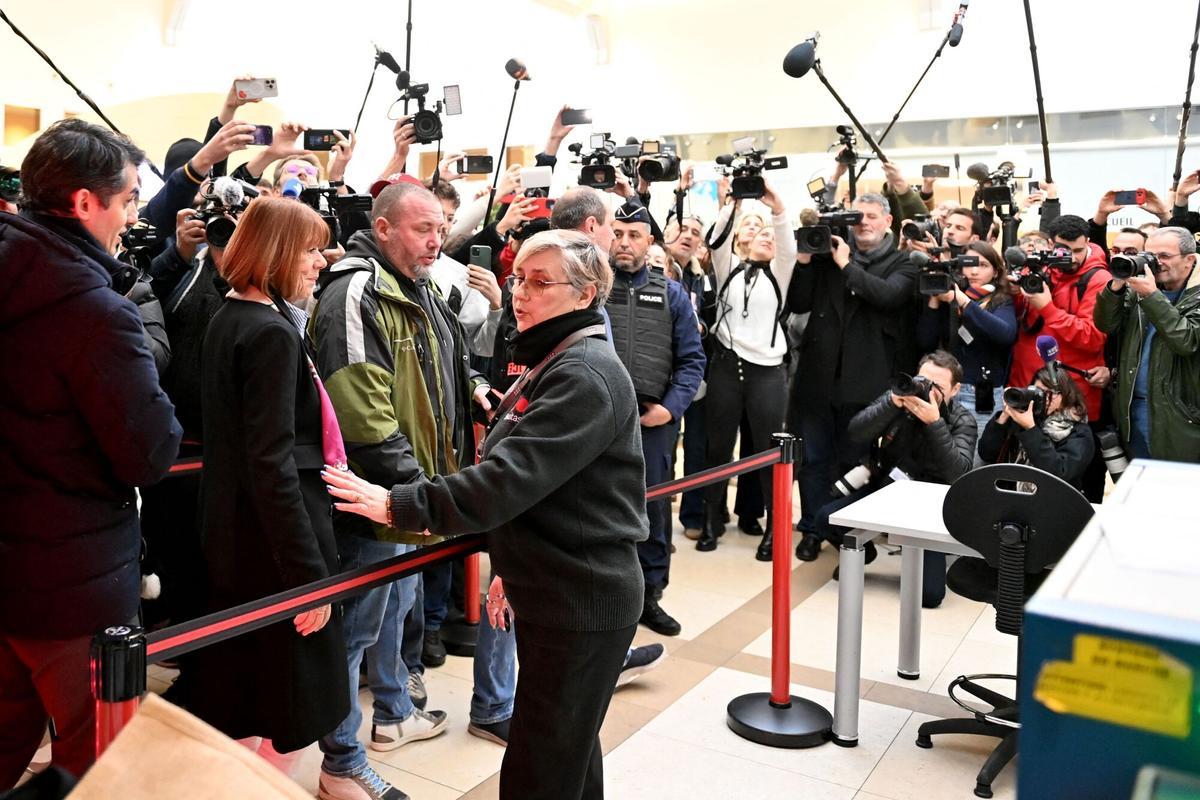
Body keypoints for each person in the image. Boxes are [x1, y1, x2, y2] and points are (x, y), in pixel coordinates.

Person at [322, 229, 645, 800]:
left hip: (582, 596)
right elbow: (545, 492)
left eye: (541, 282)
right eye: (519, 277)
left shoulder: (584, 373)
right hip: (557, 585)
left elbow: (507, 480)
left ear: (587, 294)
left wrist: (397, 503)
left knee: (541, 765)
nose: (520, 293)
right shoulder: (556, 359)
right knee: (565, 751)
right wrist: (511, 566)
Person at [0, 119, 182, 785]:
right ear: (84, 202)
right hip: (74, 589)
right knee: (101, 757)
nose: (131, 216)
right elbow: (151, 452)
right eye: (129, 200)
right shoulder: (96, 310)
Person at [311, 181, 475, 799]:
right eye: (422, 229)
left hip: (410, 500)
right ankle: (340, 763)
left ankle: (390, 716)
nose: (436, 240)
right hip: (377, 504)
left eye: (440, 229)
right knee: (354, 630)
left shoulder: (420, 286)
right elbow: (362, 413)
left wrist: (481, 394)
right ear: (382, 228)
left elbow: (449, 371)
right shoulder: (356, 291)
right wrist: (415, 493)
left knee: (394, 616)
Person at [186, 196, 347, 771]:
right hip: (274, 546)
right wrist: (309, 577)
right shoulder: (270, 332)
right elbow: (272, 464)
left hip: (235, 533)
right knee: (286, 703)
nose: (320, 262)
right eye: (309, 250)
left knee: (244, 694)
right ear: (279, 252)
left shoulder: (230, 314)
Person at [789, 193, 918, 562]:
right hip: (818, 380)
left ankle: (847, 536)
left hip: (867, 385)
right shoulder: (828, 258)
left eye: (872, 217)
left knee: (853, 465)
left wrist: (845, 265)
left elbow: (889, 296)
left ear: (888, 221)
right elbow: (798, 302)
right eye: (858, 217)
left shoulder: (903, 263)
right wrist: (805, 258)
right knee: (813, 462)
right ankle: (814, 529)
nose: (864, 223)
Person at [810, 350, 976, 607]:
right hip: (886, 489)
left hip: (930, 507)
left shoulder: (962, 420)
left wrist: (935, 423)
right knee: (824, 520)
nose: (926, 390)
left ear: (955, 390)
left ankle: (914, 552)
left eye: (938, 387)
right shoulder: (900, 396)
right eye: (923, 381)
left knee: (929, 596)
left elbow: (959, 473)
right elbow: (855, 432)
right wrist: (891, 404)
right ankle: (863, 553)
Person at [607, 201, 705, 633]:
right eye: (618, 233)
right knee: (598, 509)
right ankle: (606, 594)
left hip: (653, 423)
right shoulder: (591, 288)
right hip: (598, 420)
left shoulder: (673, 294)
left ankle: (650, 595)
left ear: (650, 242)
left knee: (653, 510)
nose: (624, 242)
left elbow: (692, 361)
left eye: (634, 235)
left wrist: (670, 408)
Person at [696, 179, 795, 560]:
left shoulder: (781, 272)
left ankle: (774, 528)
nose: (766, 236)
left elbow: (786, 242)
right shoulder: (728, 268)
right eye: (757, 230)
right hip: (726, 368)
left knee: (771, 451)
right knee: (717, 448)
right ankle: (710, 520)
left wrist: (778, 207)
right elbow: (716, 240)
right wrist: (732, 204)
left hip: (768, 374)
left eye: (770, 232)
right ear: (742, 240)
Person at [1008, 214, 1110, 501]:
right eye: (1065, 250)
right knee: (1021, 481)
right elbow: (1022, 325)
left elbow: (1092, 338)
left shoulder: (1098, 277)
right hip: (1029, 390)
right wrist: (1018, 292)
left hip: (1071, 400)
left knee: (1070, 489)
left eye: (1079, 249)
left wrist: (1048, 308)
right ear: (1051, 244)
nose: (1073, 257)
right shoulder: (1043, 268)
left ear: (1088, 242)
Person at [1094, 226, 1200, 462]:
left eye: (1164, 256)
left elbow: (1186, 340)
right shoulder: (1139, 289)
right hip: (1134, 409)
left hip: (1181, 415)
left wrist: (1152, 297)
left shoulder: (1176, 294)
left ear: (1189, 260)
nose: (1155, 262)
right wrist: (1116, 287)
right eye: (1150, 255)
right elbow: (1105, 324)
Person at [917, 242, 1018, 437]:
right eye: (969, 264)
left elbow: (1005, 334)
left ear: (996, 272)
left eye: (983, 265)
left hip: (982, 390)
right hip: (944, 389)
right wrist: (935, 299)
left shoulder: (1000, 300)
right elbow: (926, 341)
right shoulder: (948, 293)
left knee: (977, 458)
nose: (974, 271)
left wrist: (963, 300)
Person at [979, 365, 1095, 489]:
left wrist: (1030, 429)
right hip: (1011, 498)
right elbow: (986, 453)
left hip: (1054, 501)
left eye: (1051, 393)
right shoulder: (1022, 418)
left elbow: (1060, 473)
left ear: (1066, 394)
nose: (1045, 398)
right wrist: (1004, 416)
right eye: (1039, 391)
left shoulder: (1079, 432)